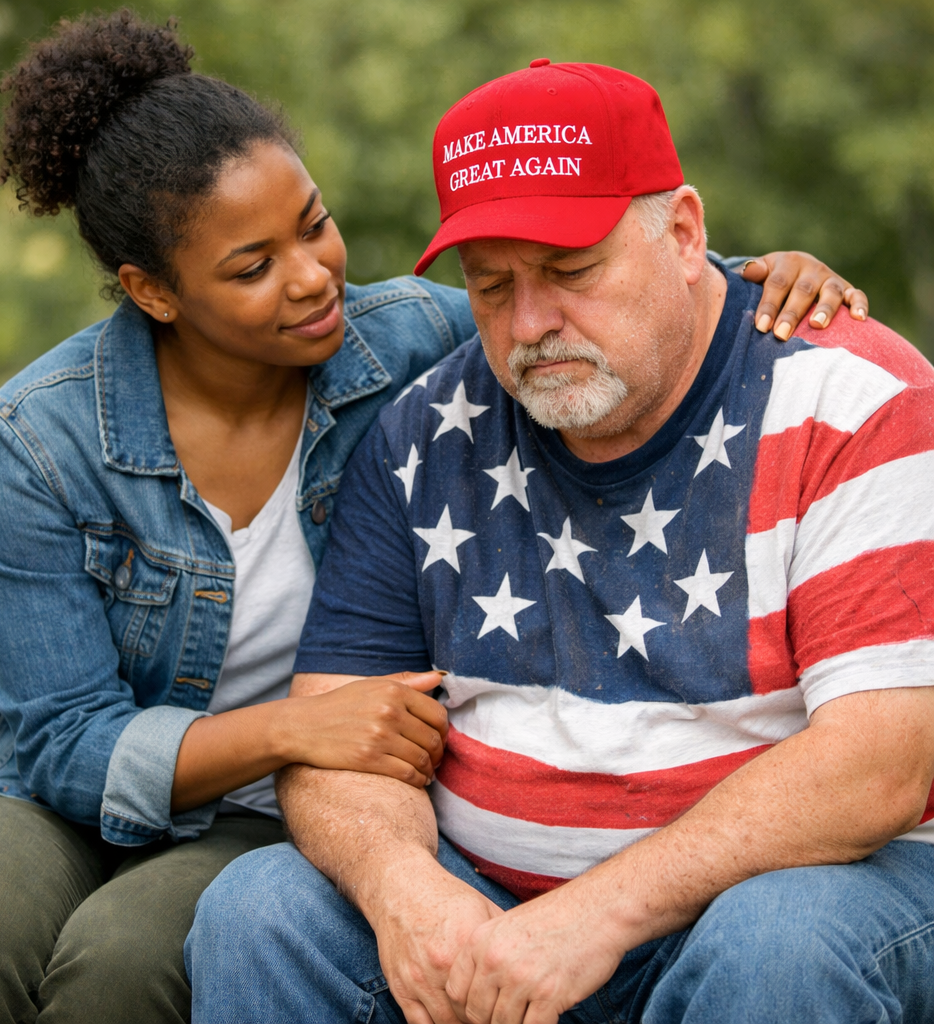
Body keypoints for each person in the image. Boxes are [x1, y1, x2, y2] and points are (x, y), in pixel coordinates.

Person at [0, 13, 860, 1020]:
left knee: (127, 961)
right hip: (56, 783)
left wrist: (762, 271)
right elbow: (62, 738)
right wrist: (295, 727)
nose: (314, 275)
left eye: (312, 224)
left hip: (271, 808)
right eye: (250, 267)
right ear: (152, 291)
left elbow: (576, 298)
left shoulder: (406, 339)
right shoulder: (43, 435)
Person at [185, 60, 934, 1024]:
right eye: (490, 286)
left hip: (798, 901)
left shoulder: (850, 399)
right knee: (260, 911)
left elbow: (879, 764)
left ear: (685, 232)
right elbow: (336, 739)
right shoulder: (425, 429)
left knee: (777, 948)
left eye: (573, 271)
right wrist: (407, 894)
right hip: (495, 907)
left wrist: (596, 916)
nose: (531, 323)